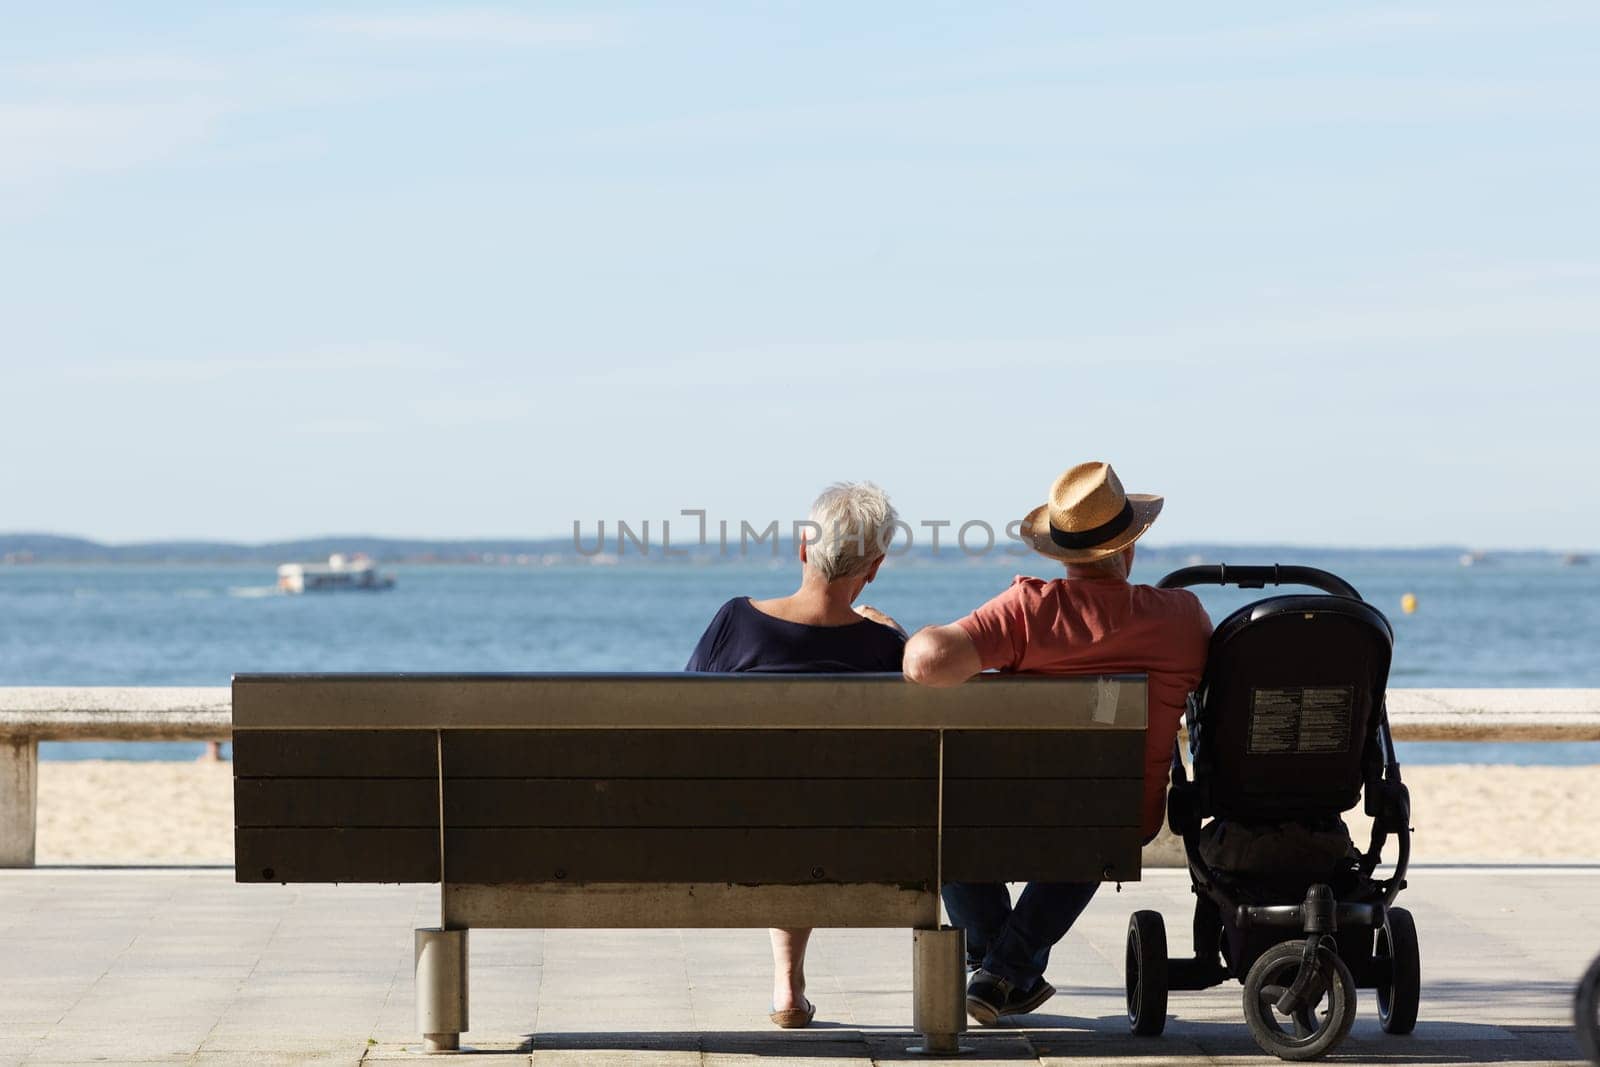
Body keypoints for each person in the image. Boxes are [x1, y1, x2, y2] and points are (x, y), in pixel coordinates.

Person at [902, 461, 1211, 1025]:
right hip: (1121, 819)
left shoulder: (1028, 611)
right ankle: (1004, 971)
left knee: (947, 813)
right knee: (1094, 818)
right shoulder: (1183, 618)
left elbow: (926, 663)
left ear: (1061, 555)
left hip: (1014, 815)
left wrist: (900, 635)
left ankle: (998, 966)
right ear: (1131, 549)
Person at [685, 481, 906, 1028]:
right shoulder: (883, 649)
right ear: (874, 569)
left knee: (778, 799)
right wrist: (898, 637)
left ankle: (788, 983)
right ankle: (790, 983)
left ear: (804, 547)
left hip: (730, 835)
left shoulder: (735, 622)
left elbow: (682, 726)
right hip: (855, 840)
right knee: (811, 804)